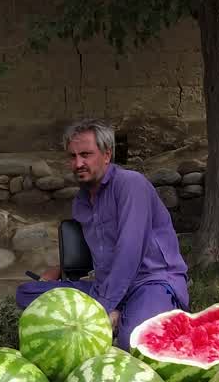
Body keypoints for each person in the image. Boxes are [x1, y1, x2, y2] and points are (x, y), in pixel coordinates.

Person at [16, 119, 190, 351]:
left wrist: (99, 310)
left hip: (150, 281)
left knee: (134, 343)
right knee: (27, 293)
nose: (78, 163)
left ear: (107, 155)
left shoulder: (130, 185)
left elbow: (129, 251)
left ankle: (124, 315)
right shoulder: (81, 202)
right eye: (72, 156)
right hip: (106, 285)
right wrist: (57, 270)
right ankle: (119, 314)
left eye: (86, 154)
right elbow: (97, 246)